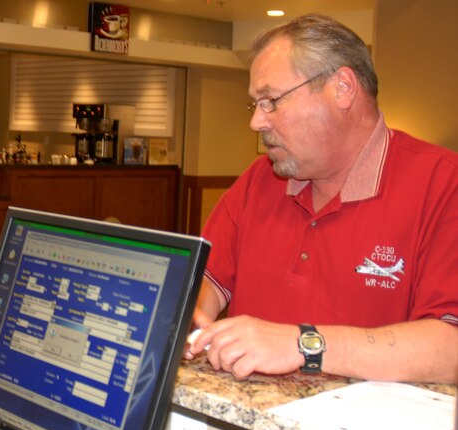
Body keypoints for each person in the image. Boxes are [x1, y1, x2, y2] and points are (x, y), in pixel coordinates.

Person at [186, 14, 458, 383]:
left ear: (342, 88)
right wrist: (190, 312)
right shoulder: (259, 180)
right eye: (256, 104)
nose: (257, 123)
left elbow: (450, 347)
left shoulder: (443, 183)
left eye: (271, 101)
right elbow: (207, 281)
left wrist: (301, 344)